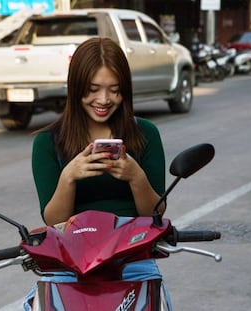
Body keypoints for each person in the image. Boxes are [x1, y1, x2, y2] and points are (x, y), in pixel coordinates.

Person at [24, 37, 171, 310]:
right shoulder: (47, 142)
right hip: (68, 265)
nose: (103, 100)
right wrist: (69, 177)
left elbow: (155, 214)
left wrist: (135, 177)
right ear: (75, 88)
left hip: (133, 262)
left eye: (114, 90)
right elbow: (53, 220)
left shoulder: (145, 135)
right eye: (92, 90)